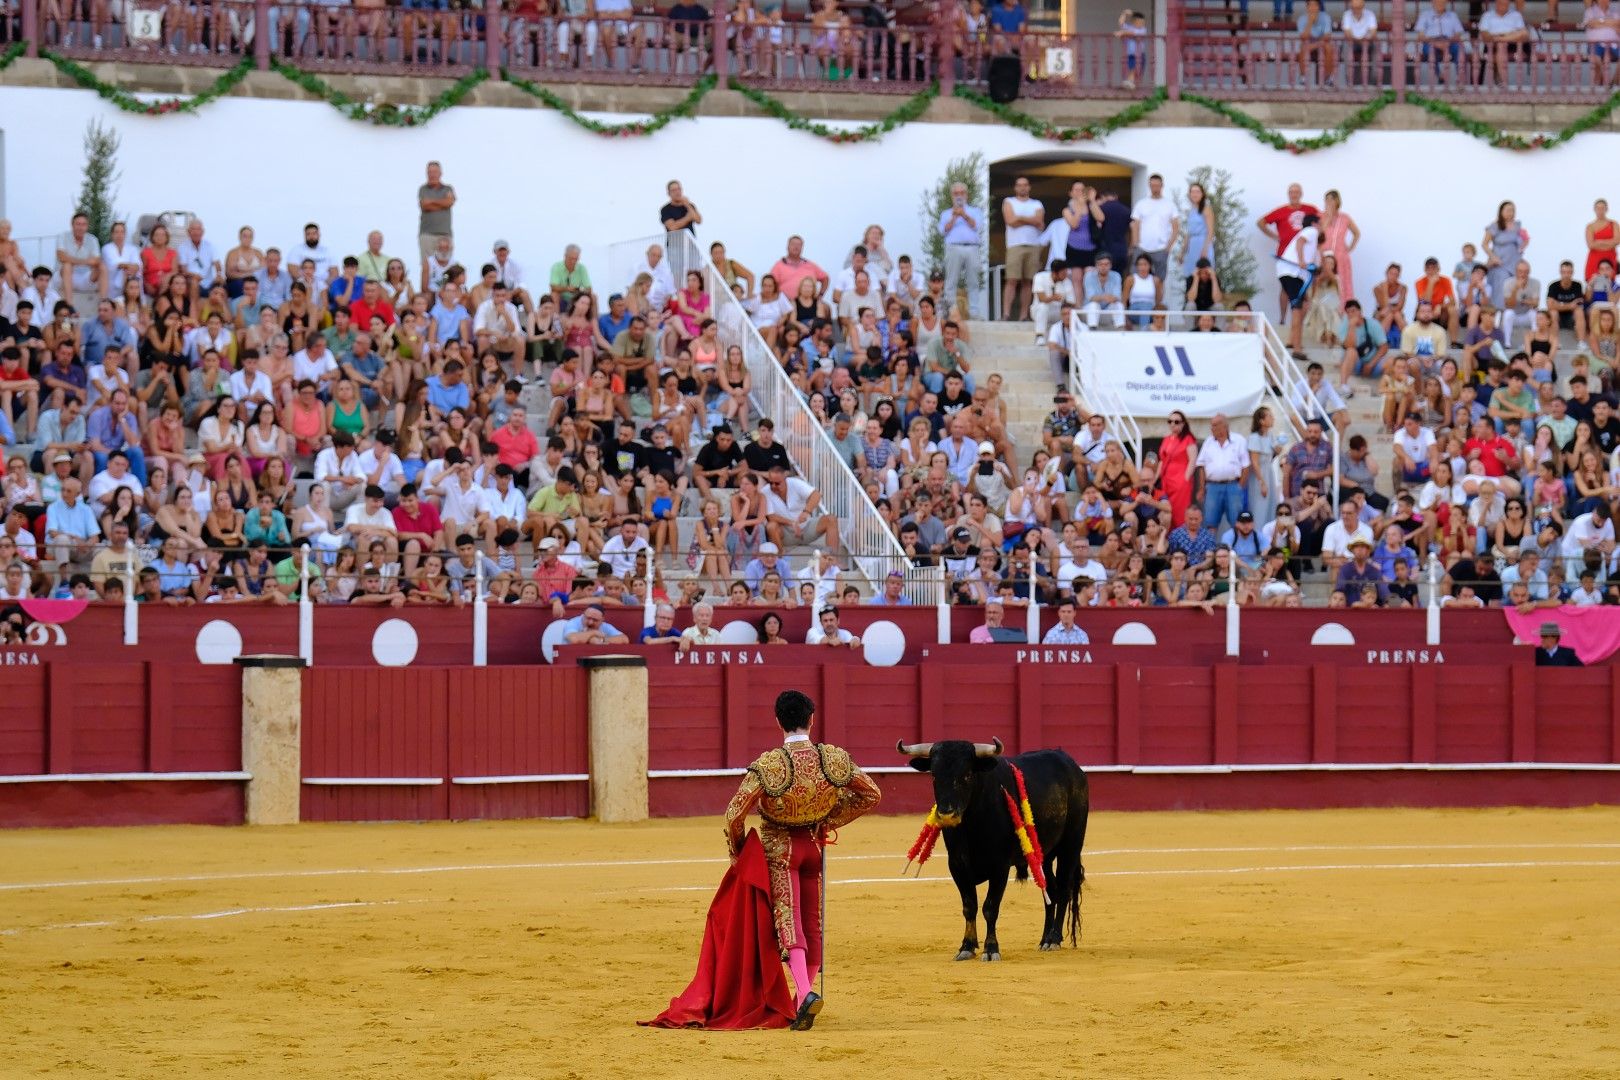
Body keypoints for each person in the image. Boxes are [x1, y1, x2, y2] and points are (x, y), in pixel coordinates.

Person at [654, 690, 881, 1033]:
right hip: (813, 849)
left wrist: (740, 851)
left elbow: (733, 814)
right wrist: (829, 818)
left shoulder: (771, 765)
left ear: (777, 721)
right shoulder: (832, 759)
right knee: (813, 924)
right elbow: (871, 795)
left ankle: (804, 993)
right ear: (812, 719)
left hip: (781, 851)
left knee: (789, 924)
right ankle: (801, 999)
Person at [938, 182, 985, 321]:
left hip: (972, 248)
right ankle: (950, 311)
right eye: (956, 193)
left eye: (961, 193)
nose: (959, 196)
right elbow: (943, 231)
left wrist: (964, 215)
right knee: (951, 281)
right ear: (952, 196)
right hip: (953, 247)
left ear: (966, 195)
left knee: (973, 281)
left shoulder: (975, 211)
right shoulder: (946, 213)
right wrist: (954, 217)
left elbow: (977, 227)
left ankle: (974, 312)